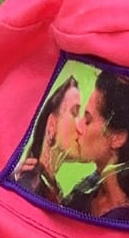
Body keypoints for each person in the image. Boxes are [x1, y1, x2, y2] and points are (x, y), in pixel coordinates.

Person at [64, 73, 129, 225]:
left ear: (117, 138)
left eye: (88, 120)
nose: (78, 126)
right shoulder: (92, 185)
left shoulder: (123, 221)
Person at [9, 74, 80, 202]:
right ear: (52, 125)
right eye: (74, 113)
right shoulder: (29, 188)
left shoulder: (51, 187)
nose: (80, 126)